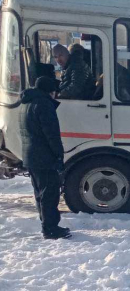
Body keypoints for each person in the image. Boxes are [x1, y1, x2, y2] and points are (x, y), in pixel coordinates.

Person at [18, 76, 71, 239]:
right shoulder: (44, 105)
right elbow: (52, 134)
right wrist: (59, 156)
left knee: (40, 193)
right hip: (44, 156)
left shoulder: (26, 103)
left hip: (31, 155)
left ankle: (47, 225)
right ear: (51, 91)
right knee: (50, 193)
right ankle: (50, 228)